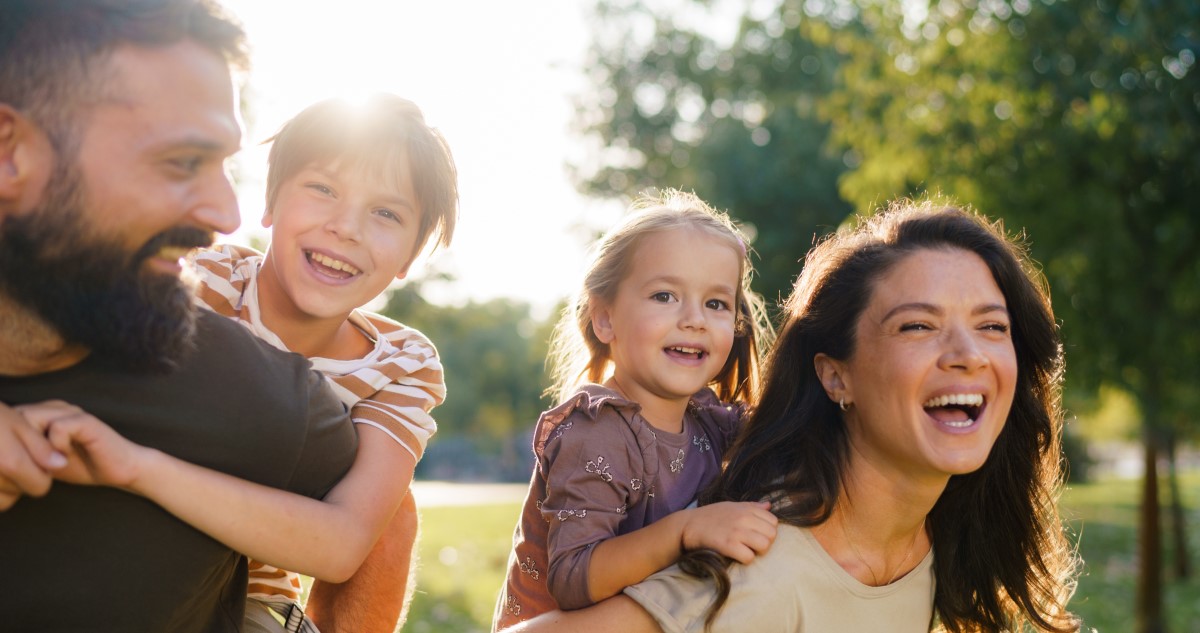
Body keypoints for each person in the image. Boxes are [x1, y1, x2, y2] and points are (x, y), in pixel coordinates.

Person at [509, 200, 1081, 632]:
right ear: (834, 375)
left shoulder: (930, 548)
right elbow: (571, 579)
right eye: (918, 325)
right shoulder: (756, 566)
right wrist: (683, 533)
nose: (968, 355)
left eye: (992, 327)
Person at [20, 93, 458, 633]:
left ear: (409, 258)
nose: (346, 227)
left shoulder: (399, 362)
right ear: (270, 202)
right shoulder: (204, 280)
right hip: (124, 548)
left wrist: (142, 469)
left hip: (251, 597)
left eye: (386, 213)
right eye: (322, 189)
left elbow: (346, 543)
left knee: (394, 511)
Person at [0, 1, 358, 632]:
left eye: (225, 164)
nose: (226, 215)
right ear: (10, 154)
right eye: (181, 162)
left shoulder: (267, 400)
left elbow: (374, 524)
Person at [493, 190, 779, 631]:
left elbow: (787, 432)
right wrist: (686, 530)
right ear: (605, 318)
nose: (694, 319)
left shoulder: (710, 421)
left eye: (716, 303)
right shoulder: (595, 432)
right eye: (665, 296)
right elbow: (572, 576)